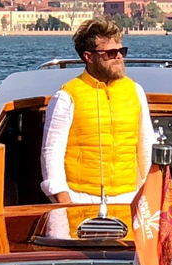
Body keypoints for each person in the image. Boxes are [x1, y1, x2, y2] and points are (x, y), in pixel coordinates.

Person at [40, 16, 155, 204]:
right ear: (88, 56)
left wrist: (150, 193)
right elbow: (52, 150)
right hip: (78, 197)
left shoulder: (135, 91)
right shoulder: (66, 96)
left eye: (121, 51)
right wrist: (62, 198)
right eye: (110, 53)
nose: (118, 56)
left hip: (129, 196)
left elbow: (146, 145)